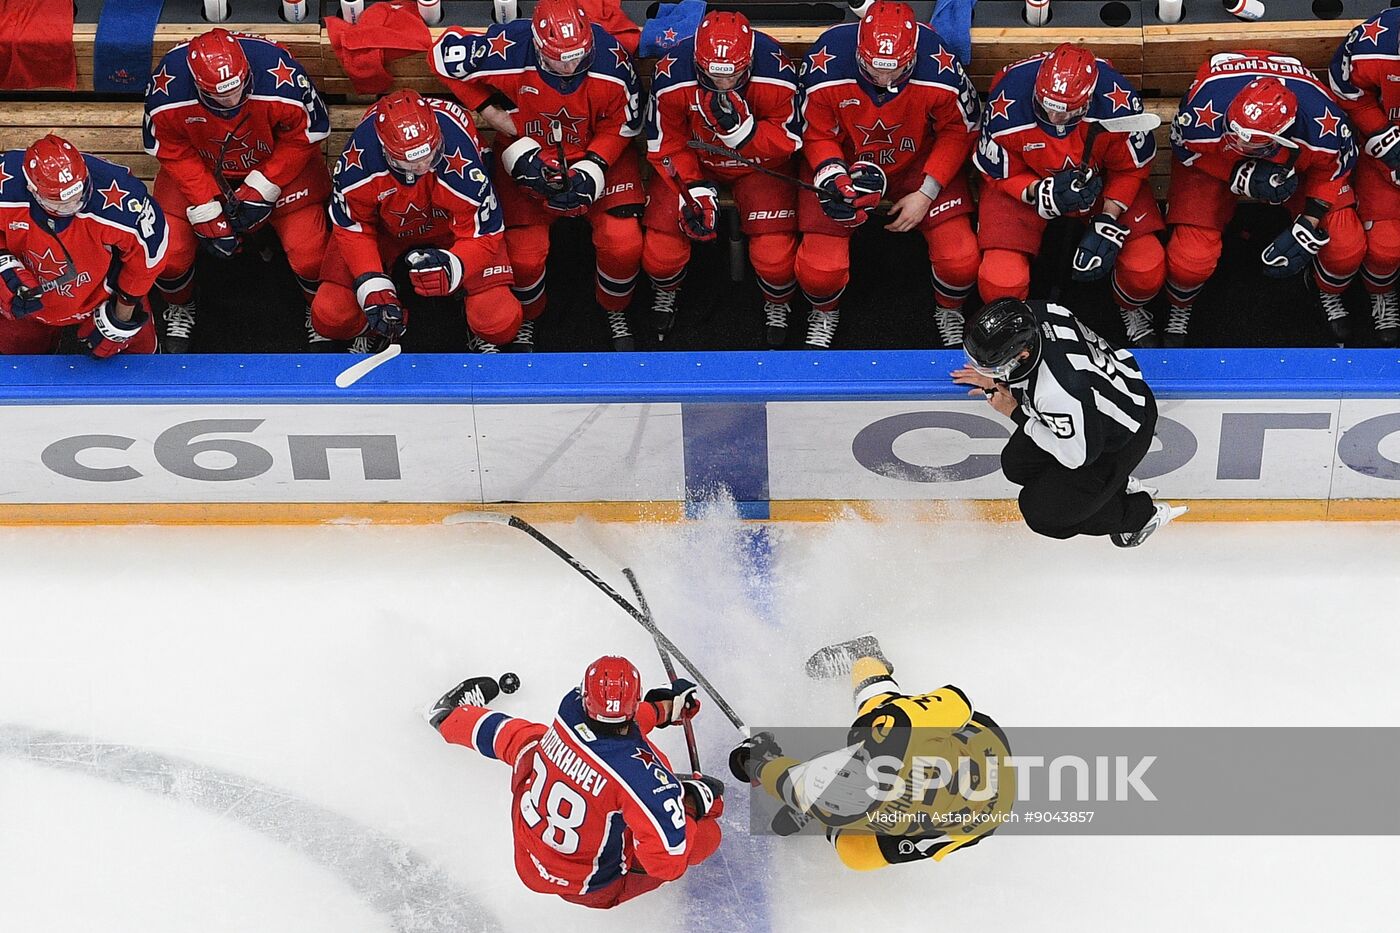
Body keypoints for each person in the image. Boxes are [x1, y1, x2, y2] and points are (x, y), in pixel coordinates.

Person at [431, 0, 646, 351]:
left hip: (597, 151)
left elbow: (627, 122)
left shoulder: (611, 58)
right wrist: (488, 109)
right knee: (523, 254)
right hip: (528, 152)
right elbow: (441, 56)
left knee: (623, 243)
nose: (569, 65)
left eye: (577, 55)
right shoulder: (510, 49)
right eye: (559, 58)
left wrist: (596, 165)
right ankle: (530, 316)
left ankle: (615, 308)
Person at [425, 657, 723, 908]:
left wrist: (661, 710)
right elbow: (666, 864)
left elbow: (613, 728)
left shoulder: (571, 707)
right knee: (707, 828)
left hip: (529, 855)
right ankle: (725, 800)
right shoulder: (641, 779)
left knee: (527, 740)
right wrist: (692, 806)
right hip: (592, 886)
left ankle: (449, 718)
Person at [729, 634, 1013, 870]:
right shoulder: (895, 732)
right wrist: (757, 762)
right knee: (877, 709)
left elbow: (785, 781)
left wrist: (758, 762)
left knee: (857, 855)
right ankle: (867, 660)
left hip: (981, 807)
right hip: (968, 772)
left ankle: (867, 661)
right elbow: (958, 702)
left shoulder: (890, 737)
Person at [796, 0, 981, 349]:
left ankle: (950, 309)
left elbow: (960, 130)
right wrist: (833, 176)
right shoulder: (826, 61)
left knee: (960, 260)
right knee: (819, 270)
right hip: (847, 165)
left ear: (912, 55)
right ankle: (824, 310)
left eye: (896, 71)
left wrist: (927, 191)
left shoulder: (939, 67)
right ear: (858, 50)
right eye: (874, 69)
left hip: (917, 164)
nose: (884, 80)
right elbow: (815, 132)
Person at [142, 27, 332, 351]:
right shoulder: (167, 89)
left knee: (310, 251)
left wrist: (264, 184)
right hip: (203, 167)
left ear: (246, 71)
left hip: (277, 164)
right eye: (219, 95)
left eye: (238, 88)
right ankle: (180, 304)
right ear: (198, 84)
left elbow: (307, 135)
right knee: (169, 252)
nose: (231, 100)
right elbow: (172, 149)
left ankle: (320, 312)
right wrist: (207, 204)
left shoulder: (281, 75)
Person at [952, 298, 1185, 547]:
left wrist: (1016, 414)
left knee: (1042, 514)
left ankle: (1138, 515)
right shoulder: (1039, 311)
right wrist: (996, 374)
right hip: (1108, 395)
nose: (987, 371)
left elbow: (1077, 456)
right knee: (1017, 464)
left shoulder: (1056, 393)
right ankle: (1113, 486)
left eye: (994, 365)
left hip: (1119, 437)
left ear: (1022, 355)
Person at [1164, 51, 1361, 346]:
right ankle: (1180, 306)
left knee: (1345, 246)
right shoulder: (1207, 110)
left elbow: (1333, 168)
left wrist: (1309, 221)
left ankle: (1327, 292)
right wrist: (1234, 173)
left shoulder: (1324, 127)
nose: (1239, 142)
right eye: (1237, 133)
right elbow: (1184, 147)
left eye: (1249, 140)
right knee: (1189, 261)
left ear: (1282, 136)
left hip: (1294, 163)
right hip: (1216, 159)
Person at [975, 44, 1164, 348]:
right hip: (1030, 183)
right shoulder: (1007, 101)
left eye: (1067, 111)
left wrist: (1108, 216)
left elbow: (1131, 169)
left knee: (1146, 267)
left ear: (1089, 100)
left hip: (1099, 183)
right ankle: (1016, 335)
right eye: (1046, 105)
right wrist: (1036, 191)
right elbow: (999, 172)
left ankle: (1132, 308)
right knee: (1000, 279)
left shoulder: (1119, 103)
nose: (1054, 116)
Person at [312, 90, 522, 353]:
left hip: (454, 232)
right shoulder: (358, 163)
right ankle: (373, 326)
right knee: (330, 314)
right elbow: (354, 228)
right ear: (385, 150)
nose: (423, 166)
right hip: (386, 232)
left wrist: (455, 266)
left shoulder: (464, 165)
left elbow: (485, 233)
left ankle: (475, 321)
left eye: (430, 154)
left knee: (498, 321)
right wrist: (373, 287)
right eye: (410, 161)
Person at [643, 10, 802, 347]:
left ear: (748, 61)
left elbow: (789, 140)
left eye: (732, 77)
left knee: (775, 259)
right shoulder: (671, 73)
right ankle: (666, 291)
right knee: (660, 254)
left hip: (758, 165)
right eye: (712, 76)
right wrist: (694, 186)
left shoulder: (777, 71)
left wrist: (745, 134)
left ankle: (778, 303)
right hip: (697, 164)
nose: (723, 85)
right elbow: (665, 142)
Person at [0, 134, 167, 357]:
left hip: (104, 292)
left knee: (143, 364)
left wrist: (122, 315)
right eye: (60, 203)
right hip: (29, 293)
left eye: (79, 195)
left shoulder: (125, 201)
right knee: (15, 367)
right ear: (32, 189)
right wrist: (3, 264)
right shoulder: (5, 184)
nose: (73, 206)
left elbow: (148, 258)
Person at [1328, 10, 1400, 345]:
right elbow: (1349, 96)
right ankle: (1381, 293)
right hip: (1387, 146)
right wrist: (1383, 138)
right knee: (1385, 247)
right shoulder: (1371, 44)